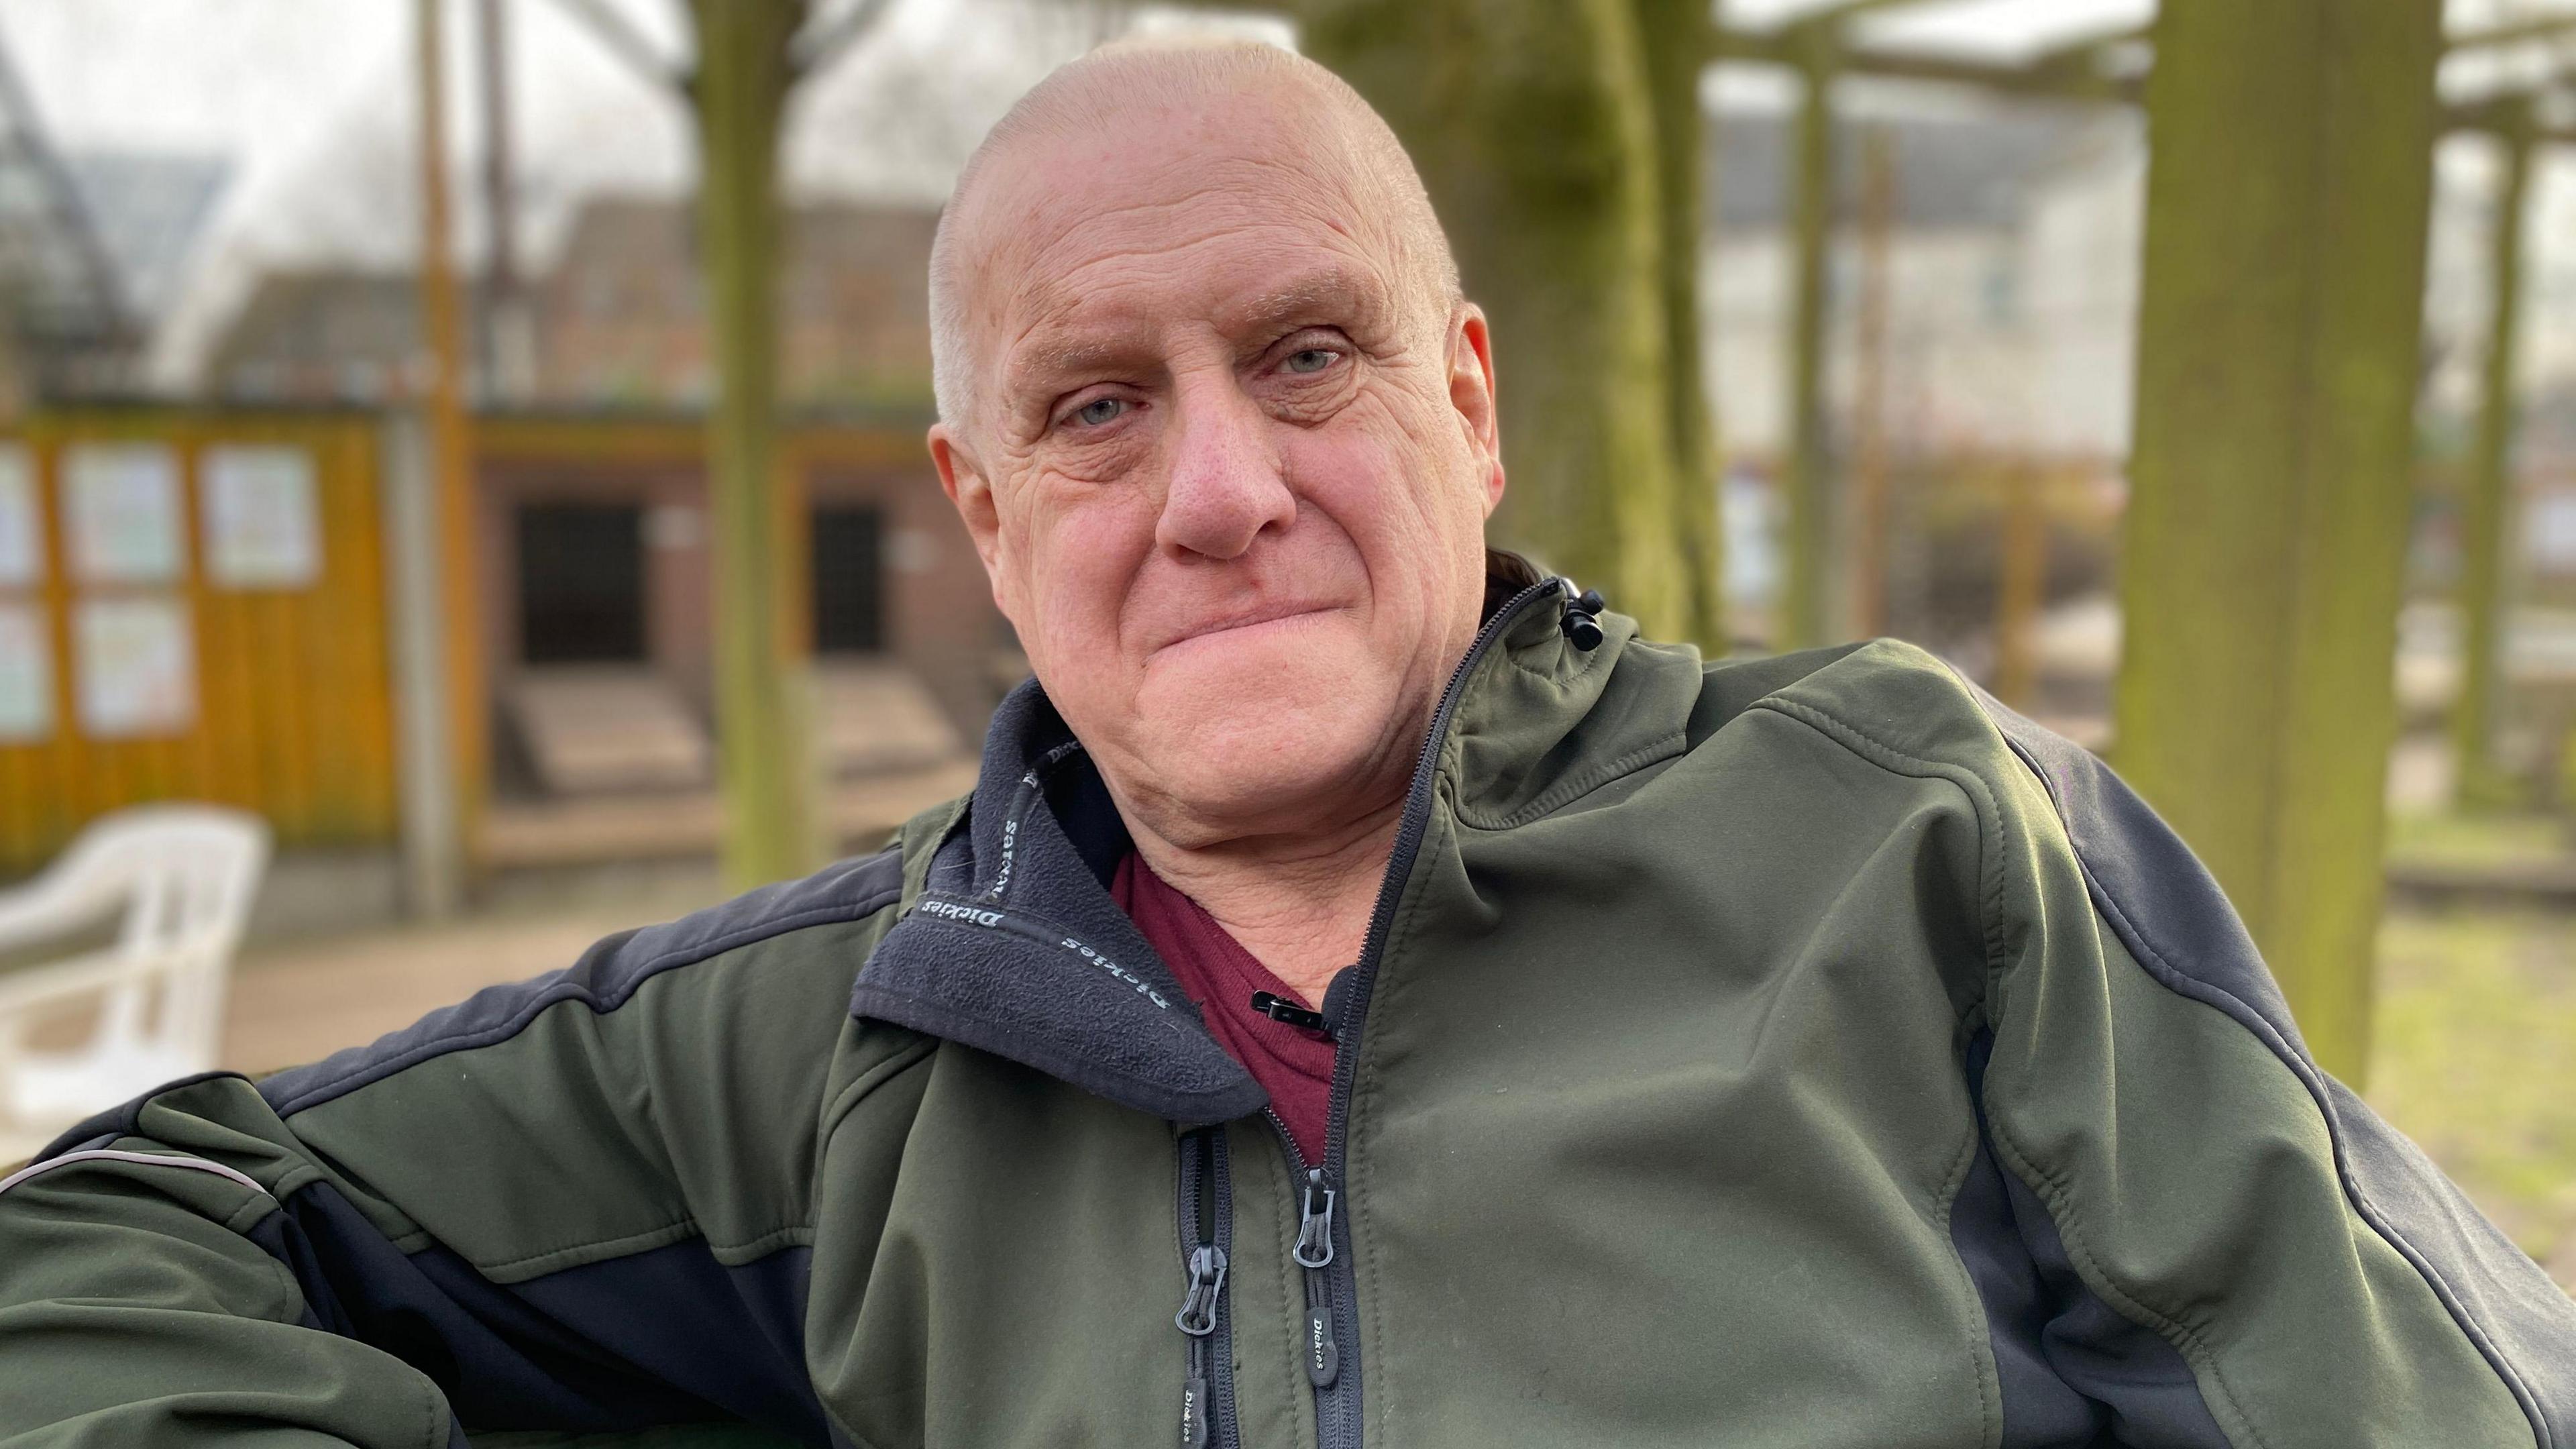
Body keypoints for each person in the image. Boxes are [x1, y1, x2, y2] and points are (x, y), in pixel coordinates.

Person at [4, 36, 2572, 1449]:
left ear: (1470, 403)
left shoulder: (1906, 839)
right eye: (1101, 407)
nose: (1224, 489)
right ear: (986, 518)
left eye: (1308, 354)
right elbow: (101, 1242)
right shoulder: (823, 1040)